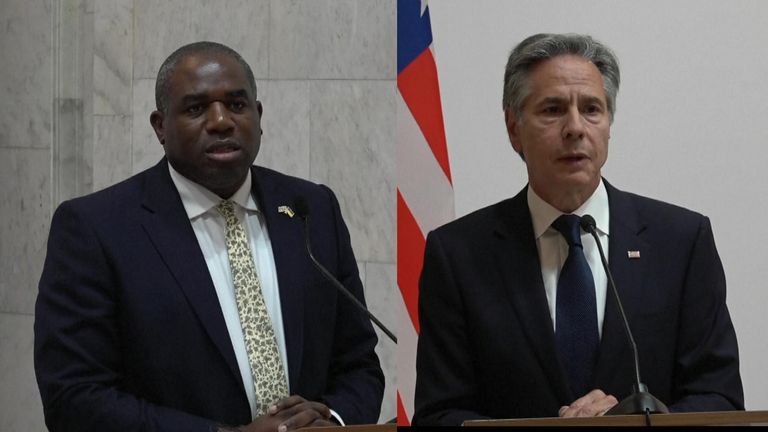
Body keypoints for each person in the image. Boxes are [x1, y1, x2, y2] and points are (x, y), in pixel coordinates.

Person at [34, 41, 384, 432]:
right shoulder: (96, 228)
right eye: (196, 108)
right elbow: (74, 397)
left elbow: (359, 364)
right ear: (160, 126)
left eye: (236, 105)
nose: (220, 121)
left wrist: (333, 421)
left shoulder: (311, 209)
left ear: (259, 115)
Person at [413, 33, 743, 426]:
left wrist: (642, 420)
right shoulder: (458, 254)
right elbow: (439, 414)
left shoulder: (681, 242)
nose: (575, 128)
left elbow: (720, 397)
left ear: (608, 125)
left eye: (591, 109)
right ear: (513, 127)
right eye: (552, 110)